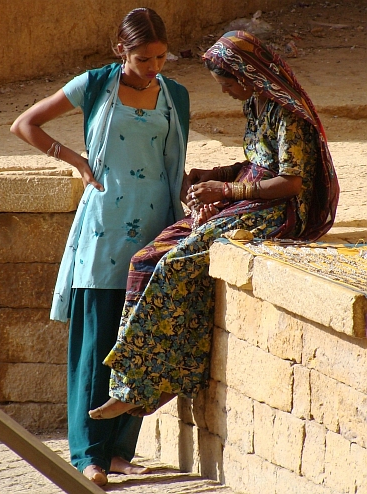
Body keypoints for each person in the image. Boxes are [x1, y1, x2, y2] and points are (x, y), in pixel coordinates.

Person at [86, 31, 339, 421]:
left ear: (247, 76)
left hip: (277, 210)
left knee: (177, 264)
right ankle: (145, 381)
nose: (224, 92)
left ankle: (140, 387)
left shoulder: (286, 114)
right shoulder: (255, 104)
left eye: (226, 84)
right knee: (145, 260)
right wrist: (212, 175)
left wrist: (224, 188)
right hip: (250, 196)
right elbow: (255, 164)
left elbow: (290, 181)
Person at [10, 7, 190, 487]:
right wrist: (74, 160)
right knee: (95, 344)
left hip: (154, 231)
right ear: (120, 51)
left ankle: (119, 452)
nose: (154, 67)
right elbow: (24, 124)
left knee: (137, 340)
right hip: (104, 229)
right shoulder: (93, 85)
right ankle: (87, 452)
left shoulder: (176, 96)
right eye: (143, 58)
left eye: (160, 56)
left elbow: (173, 165)